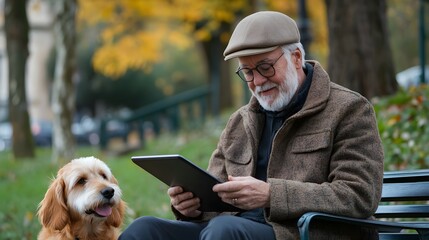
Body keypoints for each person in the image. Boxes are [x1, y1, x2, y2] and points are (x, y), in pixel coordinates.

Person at [119, 11, 384, 240]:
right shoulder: (239, 121)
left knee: (225, 230)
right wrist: (193, 207)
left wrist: (271, 195)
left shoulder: (349, 109)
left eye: (266, 67)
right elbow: (216, 195)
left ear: (296, 57)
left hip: (301, 233)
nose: (258, 81)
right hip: (230, 229)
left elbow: (358, 195)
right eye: (247, 72)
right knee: (145, 230)